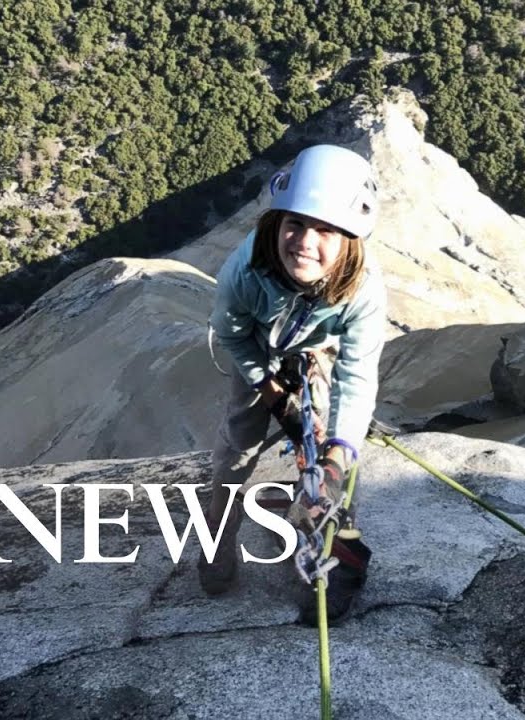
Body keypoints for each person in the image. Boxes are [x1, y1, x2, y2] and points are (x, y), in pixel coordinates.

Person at [200, 144, 387, 626]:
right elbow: (231, 335)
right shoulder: (245, 269)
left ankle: (327, 562)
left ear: (350, 241)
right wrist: (267, 387)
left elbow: (358, 374)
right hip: (258, 351)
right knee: (237, 448)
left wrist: (339, 452)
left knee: (331, 467)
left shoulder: (363, 291)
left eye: (325, 229)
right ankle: (218, 542)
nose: (305, 240)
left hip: (317, 353)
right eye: (296, 224)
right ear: (277, 224)